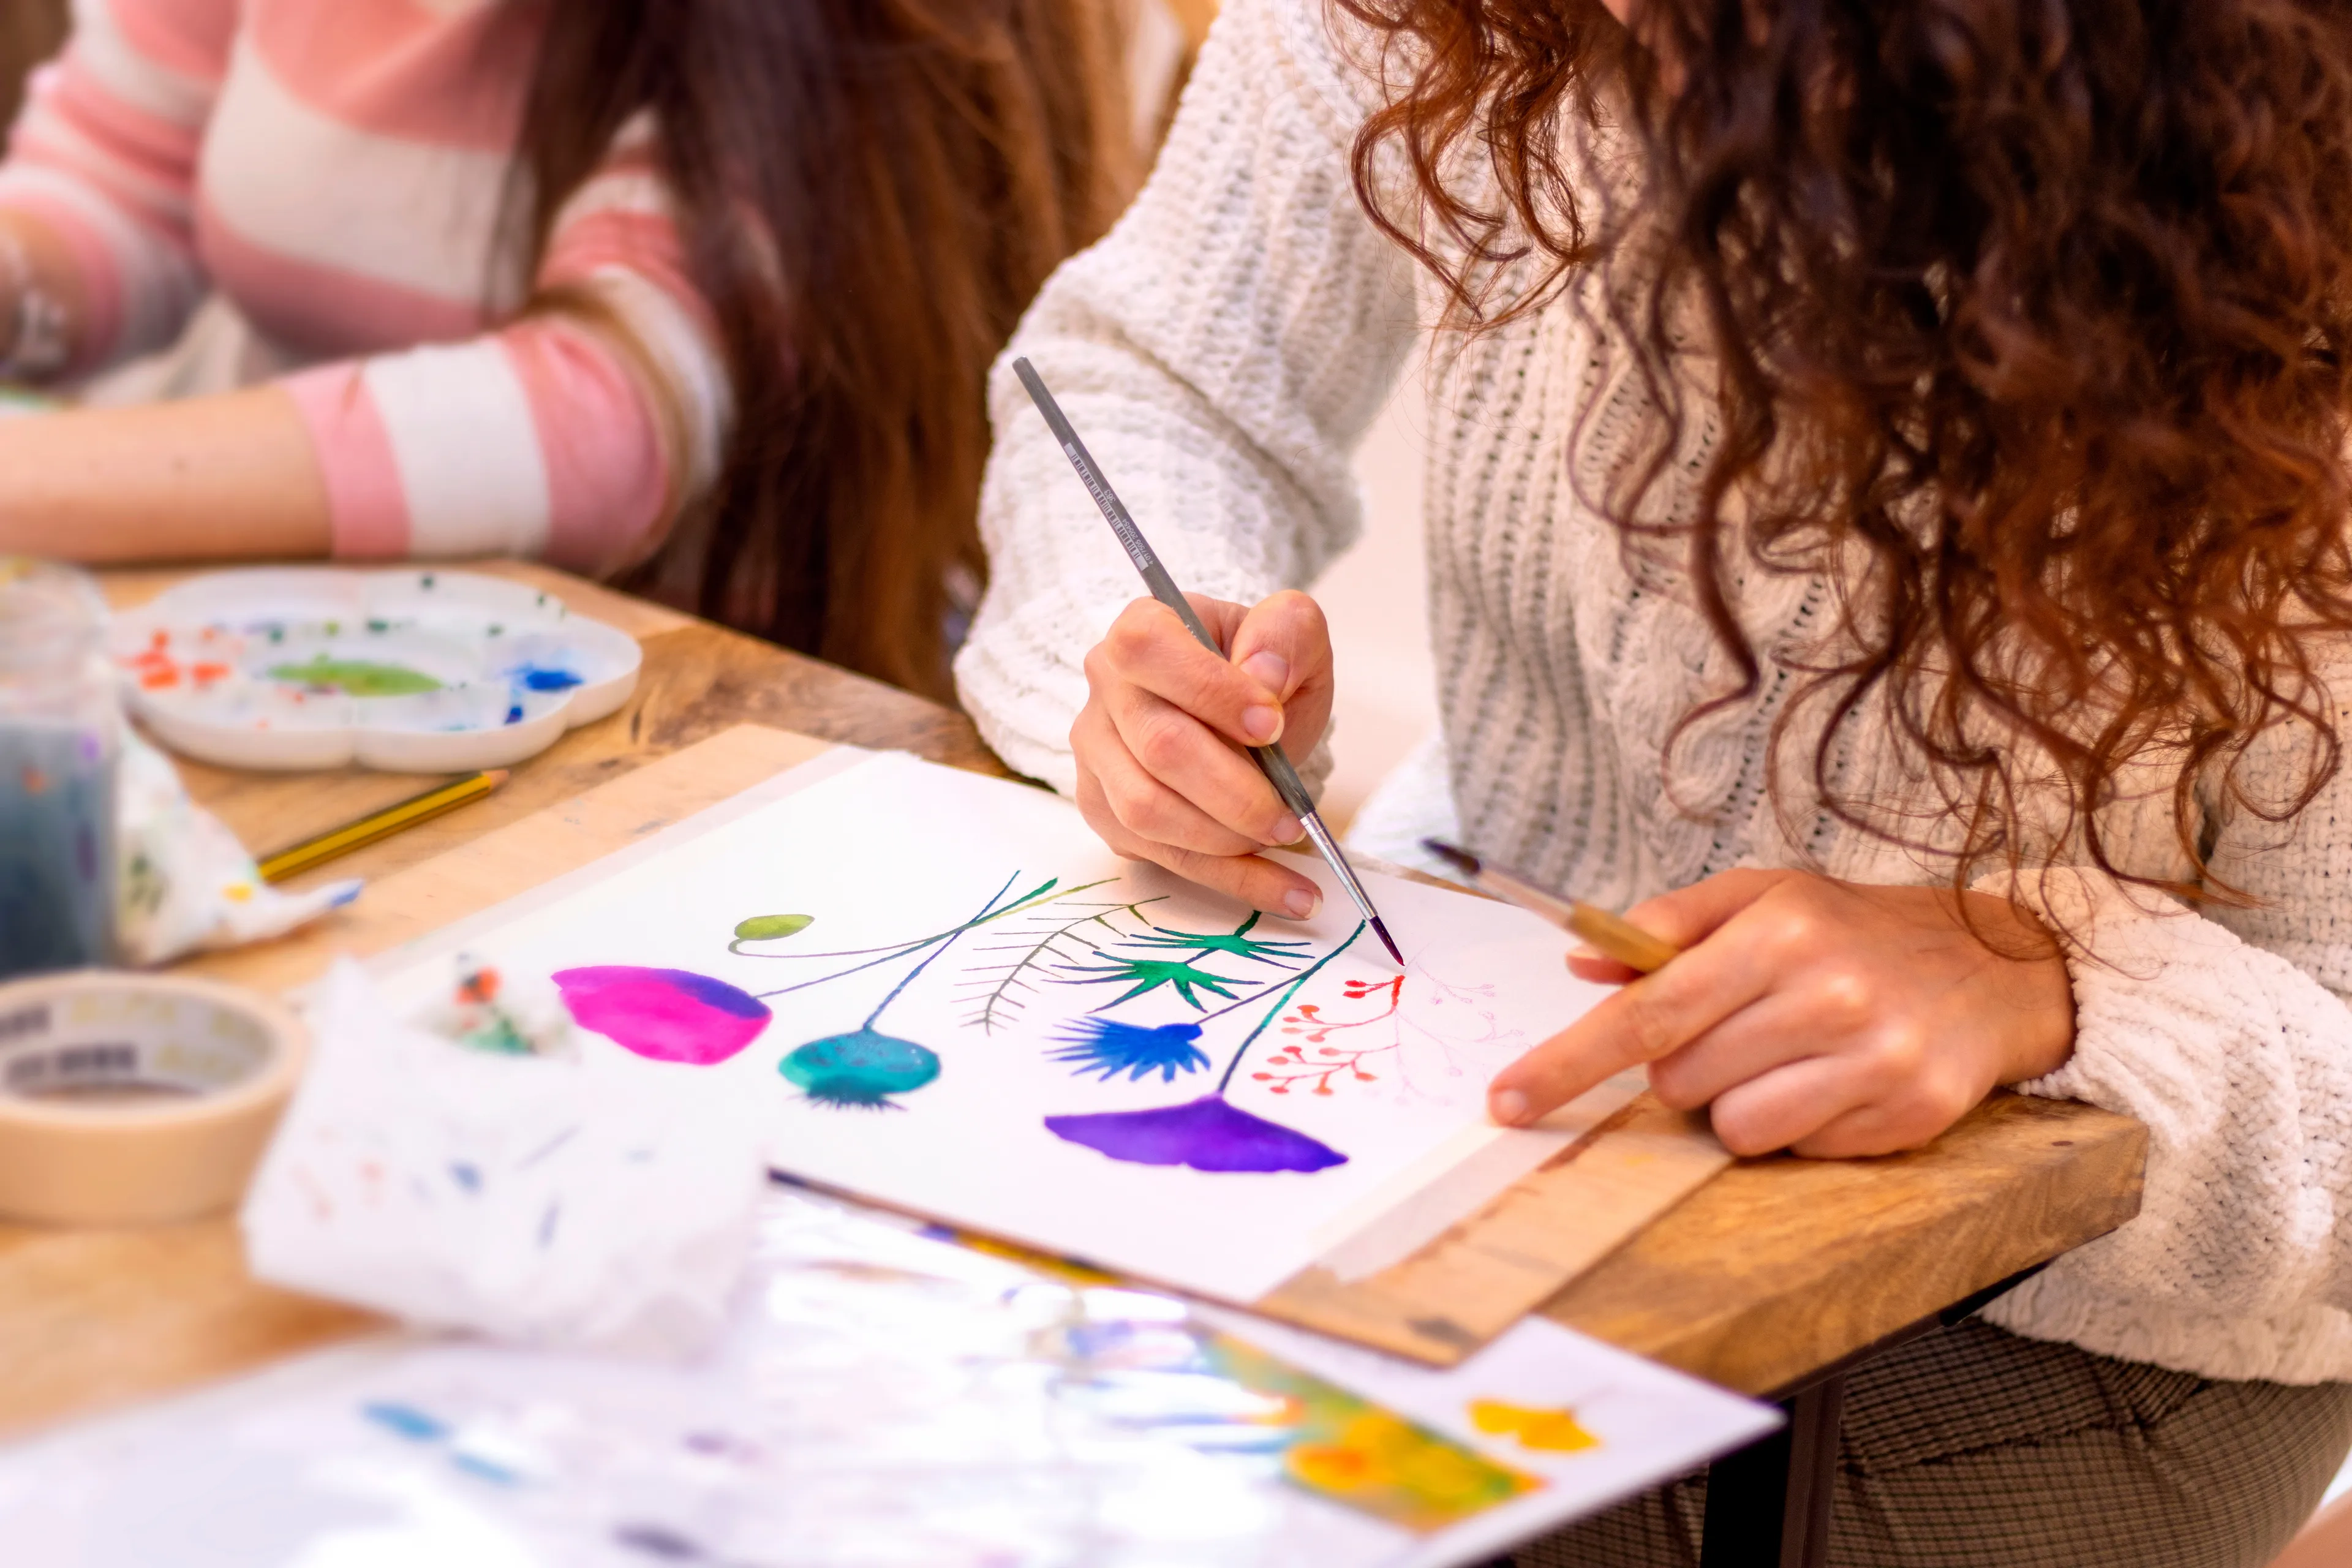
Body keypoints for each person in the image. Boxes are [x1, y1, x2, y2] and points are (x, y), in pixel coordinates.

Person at [957, 0, 2352, 1562]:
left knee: (1242, 1513)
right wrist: (1143, 651)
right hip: (1494, 1049)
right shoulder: (1441, 24)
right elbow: (1156, 383)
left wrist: (2063, 985)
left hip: (2104, 1308)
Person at [0, 0, 1136, 698]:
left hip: (694, 742)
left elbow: (601, 416)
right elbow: (122, 170)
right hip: (271, 675)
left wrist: (30, 484)